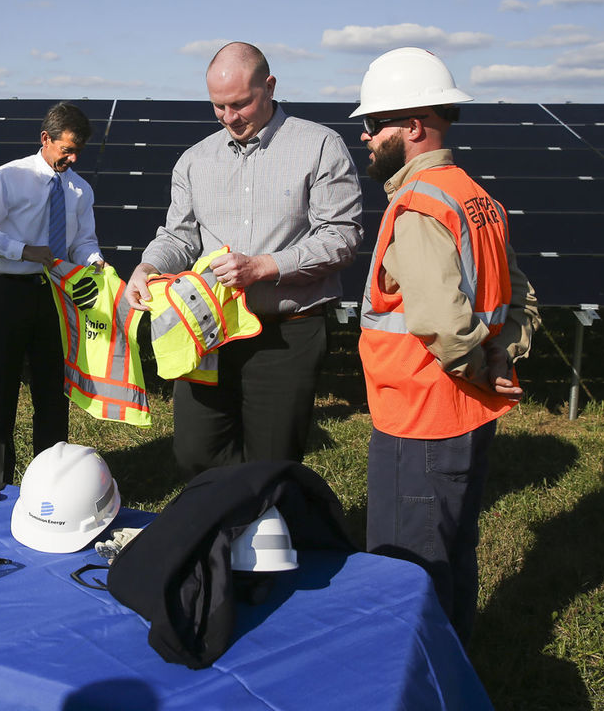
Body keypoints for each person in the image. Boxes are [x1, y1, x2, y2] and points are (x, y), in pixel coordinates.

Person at [352, 46, 540, 646]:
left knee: (408, 563)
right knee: (453, 547)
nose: (364, 136)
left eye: (374, 124)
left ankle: (419, 677)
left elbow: (441, 322)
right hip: (465, 416)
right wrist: (502, 357)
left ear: (412, 127)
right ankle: (458, 665)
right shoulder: (477, 197)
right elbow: (522, 301)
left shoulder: (417, 208)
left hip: (421, 417)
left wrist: (480, 368)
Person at [124, 42, 363, 476]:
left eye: (241, 104)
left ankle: (265, 530)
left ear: (269, 87)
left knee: (271, 462)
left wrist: (262, 267)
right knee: (196, 453)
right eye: (218, 106)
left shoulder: (320, 146)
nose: (230, 118)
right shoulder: (195, 160)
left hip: (285, 333)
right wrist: (148, 266)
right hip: (207, 333)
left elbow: (342, 237)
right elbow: (178, 236)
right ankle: (228, 526)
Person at [0, 103, 104, 488]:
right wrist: (21, 250)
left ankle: (48, 482)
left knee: (52, 394)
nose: (71, 159)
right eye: (66, 150)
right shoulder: (11, 177)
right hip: (9, 292)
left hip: (55, 297)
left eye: (77, 153)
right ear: (46, 139)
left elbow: (85, 240)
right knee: (1, 392)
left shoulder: (79, 189)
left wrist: (94, 259)